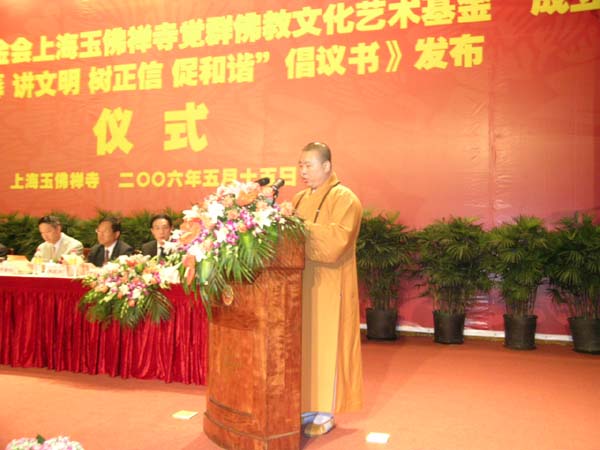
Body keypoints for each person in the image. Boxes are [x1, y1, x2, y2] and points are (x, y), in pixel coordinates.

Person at [292, 141, 363, 437]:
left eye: (308, 165)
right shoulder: (298, 198)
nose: (303, 171)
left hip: (331, 287)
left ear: (326, 166)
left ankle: (326, 412)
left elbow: (336, 243)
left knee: (327, 347)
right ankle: (305, 406)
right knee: (304, 346)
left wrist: (297, 225)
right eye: (301, 165)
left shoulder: (345, 199)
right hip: (300, 286)